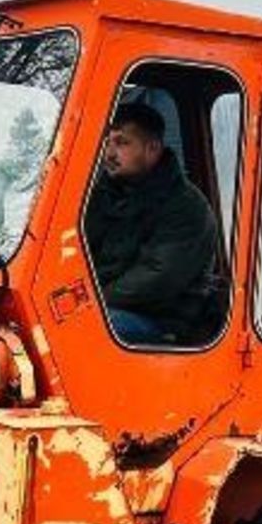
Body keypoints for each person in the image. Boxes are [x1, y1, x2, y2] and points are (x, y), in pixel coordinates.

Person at [83, 100, 219, 345]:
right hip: (107, 303)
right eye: (108, 141)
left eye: (122, 143)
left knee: (79, 330)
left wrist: (91, 300)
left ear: (152, 149)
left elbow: (157, 277)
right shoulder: (101, 194)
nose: (110, 153)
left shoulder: (186, 207)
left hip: (160, 318)